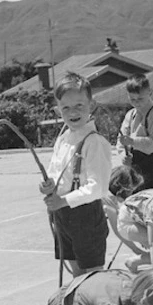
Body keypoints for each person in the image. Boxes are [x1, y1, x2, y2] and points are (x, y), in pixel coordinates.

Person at [40, 72, 112, 277]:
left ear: (92, 104)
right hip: (62, 215)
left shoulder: (94, 142)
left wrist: (63, 201)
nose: (73, 112)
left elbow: (97, 187)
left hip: (86, 215)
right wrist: (48, 187)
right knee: (75, 273)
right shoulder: (62, 140)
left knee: (92, 274)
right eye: (66, 108)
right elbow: (55, 174)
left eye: (79, 105)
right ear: (57, 110)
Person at [115, 74, 153, 191]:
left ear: (150, 92)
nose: (137, 103)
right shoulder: (130, 114)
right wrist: (123, 155)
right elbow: (121, 140)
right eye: (132, 99)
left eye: (140, 99)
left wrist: (133, 141)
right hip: (133, 167)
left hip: (151, 166)